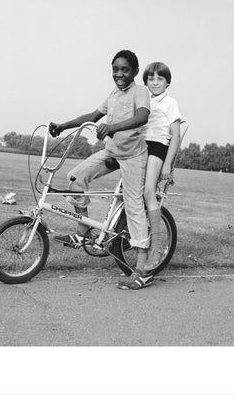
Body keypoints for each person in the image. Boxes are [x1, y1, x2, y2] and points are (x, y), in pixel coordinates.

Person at [49, 49, 153, 290]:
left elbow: (142, 117)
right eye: (115, 69)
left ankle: (143, 270)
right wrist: (63, 126)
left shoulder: (140, 92)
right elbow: (93, 116)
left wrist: (113, 126)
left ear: (135, 71)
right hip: (112, 152)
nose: (119, 74)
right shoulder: (114, 94)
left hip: (134, 156)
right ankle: (83, 233)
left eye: (125, 69)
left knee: (134, 204)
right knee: (76, 176)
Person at [141, 62, 182, 272]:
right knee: (130, 193)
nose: (155, 82)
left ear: (167, 82)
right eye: (151, 79)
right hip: (141, 148)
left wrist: (167, 164)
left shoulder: (170, 102)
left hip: (158, 148)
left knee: (149, 192)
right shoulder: (145, 100)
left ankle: (156, 248)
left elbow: (175, 135)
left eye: (160, 79)